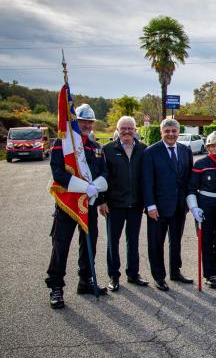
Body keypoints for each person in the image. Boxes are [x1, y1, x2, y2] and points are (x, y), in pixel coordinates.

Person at [46, 103, 109, 308]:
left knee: (89, 243)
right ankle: (56, 287)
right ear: (74, 121)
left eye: (90, 122)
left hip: (89, 204)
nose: (87, 125)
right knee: (61, 245)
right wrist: (85, 187)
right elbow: (59, 174)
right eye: (82, 121)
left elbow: (104, 173)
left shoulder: (96, 147)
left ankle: (85, 280)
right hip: (68, 203)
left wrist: (95, 190)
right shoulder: (63, 144)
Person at [142, 118, 194, 291]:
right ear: (161, 133)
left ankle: (175, 271)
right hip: (158, 208)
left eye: (174, 131)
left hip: (179, 207)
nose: (171, 134)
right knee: (156, 243)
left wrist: (188, 203)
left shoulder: (185, 150)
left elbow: (187, 179)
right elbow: (147, 181)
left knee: (176, 242)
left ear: (178, 132)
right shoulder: (151, 152)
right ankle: (159, 276)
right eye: (167, 131)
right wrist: (150, 205)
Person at [100, 115, 149, 291]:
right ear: (118, 130)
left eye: (130, 128)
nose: (127, 132)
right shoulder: (107, 150)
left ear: (135, 130)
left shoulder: (143, 149)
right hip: (114, 205)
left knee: (133, 240)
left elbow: (146, 178)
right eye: (124, 129)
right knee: (113, 241)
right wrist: (102, 201)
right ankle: (114, 276)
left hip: (136, 204)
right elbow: (102, 177)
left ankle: (133, 274)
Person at [186, 132, 216, 289]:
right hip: (206, 204)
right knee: (207, 241)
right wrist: (194, 207)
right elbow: (191, 188)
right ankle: (209, 274)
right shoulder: (200, 164)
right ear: (207, 147)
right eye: (212, 146)